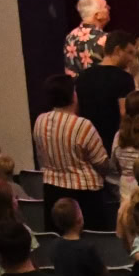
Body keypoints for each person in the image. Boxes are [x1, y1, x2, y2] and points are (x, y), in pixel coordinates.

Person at [33, 73, 114, 236]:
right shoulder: (82, 125)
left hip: (52, 191)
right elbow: (102, 163)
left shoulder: (40, 121)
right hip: (84, 196)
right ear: (72, 95)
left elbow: (40, 155)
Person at [63, 0, 113, 71]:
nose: (109, 7)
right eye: (105, 6)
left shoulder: (70, 36)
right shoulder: (105, 39)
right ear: (97, 15)